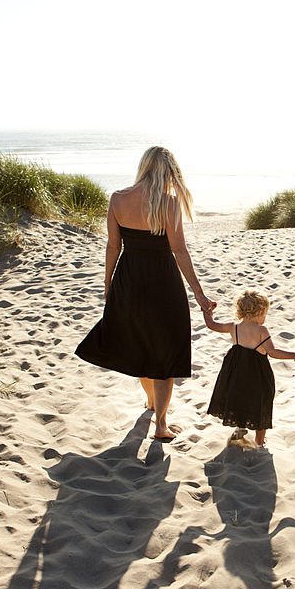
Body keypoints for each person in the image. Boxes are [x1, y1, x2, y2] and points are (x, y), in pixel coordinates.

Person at [75, 145, 216, 442]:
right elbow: (179, 250)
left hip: (129, 280)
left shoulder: (118, 199)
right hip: (162, 283)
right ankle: (161, 423)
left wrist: (108, 282)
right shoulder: (169, 202)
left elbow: (113, 247)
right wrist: (200, 295)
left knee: (141, 346)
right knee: (165, 354)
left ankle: (152, 403)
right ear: (169, 171)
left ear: (144, 166)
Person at [203, 290, 295, 448]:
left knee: (239, 400)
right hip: (257, 376)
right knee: (261, 405)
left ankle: (240, 427)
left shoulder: (233, 327)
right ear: (260, 311)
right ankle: (259, 441)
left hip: (236, 374)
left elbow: (212, 325)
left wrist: (206, 312)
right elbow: (273, 352)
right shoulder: (261, 331)